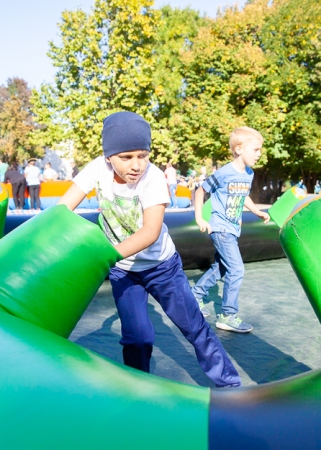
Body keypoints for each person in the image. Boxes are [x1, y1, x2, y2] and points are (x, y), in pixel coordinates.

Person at [57, 111, 240, 388]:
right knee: (137, 337)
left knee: (193, 326)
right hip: (124, 272)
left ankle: (229, 383)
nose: (136, 165)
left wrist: (104, 257)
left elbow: (150, 232)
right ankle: (139, 388)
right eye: (126, 157)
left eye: (143, 155)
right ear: (109, 156)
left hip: (162, 267)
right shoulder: (97, 169)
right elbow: (61, 210)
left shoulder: (153, 178)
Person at [191, 127, 270, 333]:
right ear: (238, 149)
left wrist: (256, 211)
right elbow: (201, 191)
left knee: (222, 267)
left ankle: (195, 295)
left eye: (260, 150)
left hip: (233, 229)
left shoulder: (249, 174)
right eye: (255, 149)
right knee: (237, 269)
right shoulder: (224, 172)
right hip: (220, 227)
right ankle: (227, 315)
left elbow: (243, 196)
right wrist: (200, 217)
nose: (259, 154)